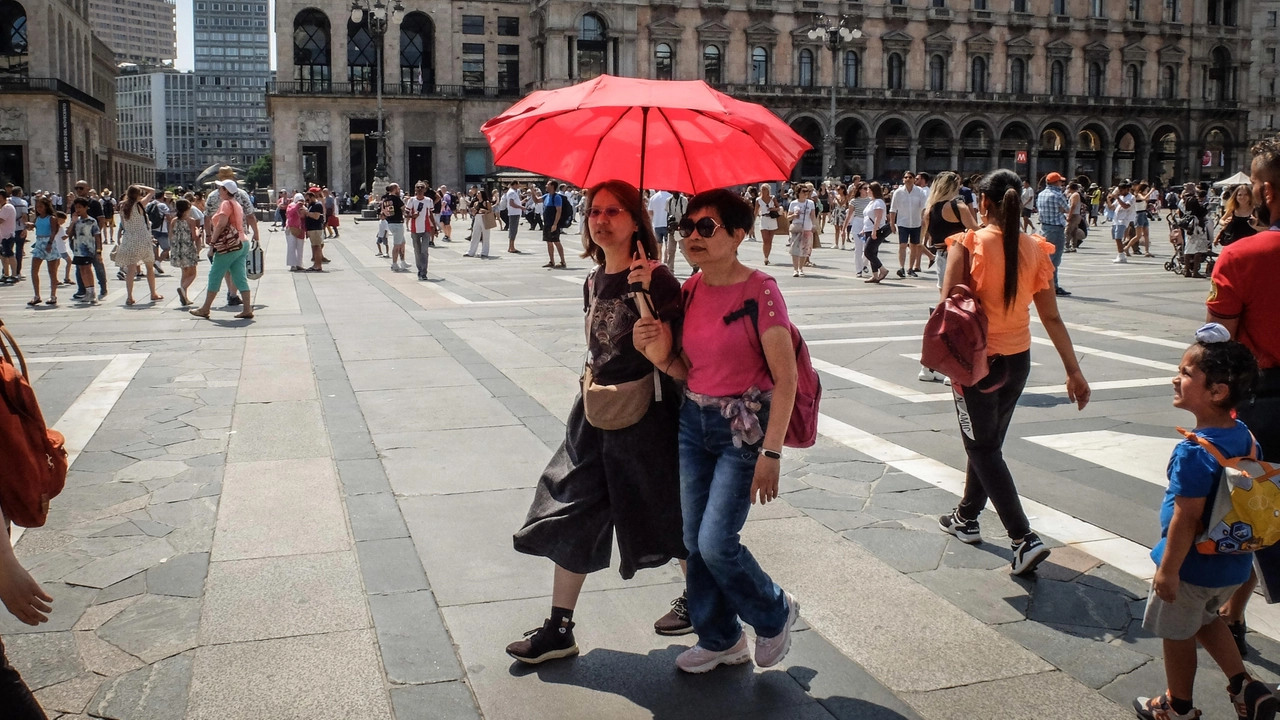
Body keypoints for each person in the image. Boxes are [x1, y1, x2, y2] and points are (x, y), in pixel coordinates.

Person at [507, 180, 686, 665]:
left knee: (663, 508)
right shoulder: (591, 278)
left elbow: (676, 356)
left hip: (645, 417)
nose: (601, 220)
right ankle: (559, 628)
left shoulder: (661, 278)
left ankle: (702, 600)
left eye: (613, 211)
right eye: (594, 211)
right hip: (594, 413)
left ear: (635, 220)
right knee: (571, 505)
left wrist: (645, 292)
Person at [632, 188, 800, 673]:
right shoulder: (690, 290)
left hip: (743, 430)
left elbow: (785, 377)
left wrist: (772, 455)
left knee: (716, 542)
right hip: (693, 423)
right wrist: (657, 346)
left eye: (706, 228)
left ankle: (774, 609)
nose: (692, 236)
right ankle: (721, 637)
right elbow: (683, 367)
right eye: (687, 227)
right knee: (692, 539)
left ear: (738, 234)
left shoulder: (761, 290)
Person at [936, 168, 1092, 576]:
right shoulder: (1036, 249)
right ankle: (966, 518)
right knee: (988, 445)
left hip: (977, 362)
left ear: (983, 203)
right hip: (1018, 360)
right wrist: (1074, 372)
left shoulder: (966, 244)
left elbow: (949, 306)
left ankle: (1024, 538)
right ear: (1018, 201)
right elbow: (1052, 317)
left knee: (982, 447)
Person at [1134, 325, 1272, 720]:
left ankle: (1177, 706)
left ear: (1217, 392)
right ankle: (1246, 687)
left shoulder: (1194, 452)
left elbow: (1186, 516)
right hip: (1231, 563)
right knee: (1208, 620)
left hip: (1191, 566)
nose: (1175, 378)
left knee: (1176, 634)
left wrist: (1168, 571)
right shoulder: (1245, 436)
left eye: (1186, 373)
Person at [1207, 133, 1280, 658]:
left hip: (1264, 403)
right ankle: (1234, 613)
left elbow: (1220, 344)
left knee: (1253, 517)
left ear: (1265, 189)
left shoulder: (1242, 255)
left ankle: (1229, 617)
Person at [918, 172, 980, 383]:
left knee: (945, 309)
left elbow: (921, 242)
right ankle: (951, 367)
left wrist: (932, 256)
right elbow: (977, 232)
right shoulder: (958, 207)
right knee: (958, 313)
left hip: (942, 259)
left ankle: (928, 366)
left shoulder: (929, 210)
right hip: (959, 258)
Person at [190, 180, 252, 319]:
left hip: (230, 244)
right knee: (239, 276)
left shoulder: (226, 204)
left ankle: (205, 308)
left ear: (225, 190)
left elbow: (221, 224)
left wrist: (212, 243)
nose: (218, 190)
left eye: (220, 188)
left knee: (215, 274)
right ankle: (247, 309)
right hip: (242, 242)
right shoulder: (236, 203)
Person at [114, 185, 162, 305]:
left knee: (131, 269)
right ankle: (153, 293)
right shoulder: (139, 204)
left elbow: (123, 224)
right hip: (142, 238)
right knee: (149, 267)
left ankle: (129, 296)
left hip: (129, 238)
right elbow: (152, 191)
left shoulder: (122, 206)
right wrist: (140, 185)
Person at [1035, 172, 1072, 297]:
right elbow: (1067, 209)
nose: (1062, 184)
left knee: (1046, 257)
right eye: (1060, 182)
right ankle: (1052, 285)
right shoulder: (1057, 195)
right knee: (1054, 259)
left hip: (1044, 227)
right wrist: (1060, 210)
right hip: (1056, 228)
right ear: (1056, 182)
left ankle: (1047, 284)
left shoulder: (1041, 194)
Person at [890, 171, 927, 278]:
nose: (908, 179)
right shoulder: (898, 192)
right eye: (906, 177)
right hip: (903, 222)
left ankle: (910, 268)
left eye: (910, 177)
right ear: (903, 179)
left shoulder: (919, 192)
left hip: (916, 222)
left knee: (914, 246)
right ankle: (901, 267)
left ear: (914, 179)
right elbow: (893, 209)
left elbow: (924, 207)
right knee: (902, 245)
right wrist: (892, 223)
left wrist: (924, 219)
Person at [26, 195, 61, 306]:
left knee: (52, 272)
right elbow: (37, 226)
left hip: (48, 243)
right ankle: (37, 295)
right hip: (39, 243)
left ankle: (53, 295)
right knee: (34, 269)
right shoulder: (37, 218)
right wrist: (31, 226)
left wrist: (50, 243)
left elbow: (54, 231)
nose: (39, 209)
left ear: (46, 207)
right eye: (37, 207)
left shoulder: (51, 218)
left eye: (41, 206)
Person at [68, 197, 103, 305]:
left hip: (88, 249)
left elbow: (97, 236)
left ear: (86, 208)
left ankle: (92, 292)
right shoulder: (76, 222)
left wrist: (98, 251)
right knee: (82, 270)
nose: (78, 209)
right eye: (76, 207)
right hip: (78, 249)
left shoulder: (92, 221)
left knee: (88, 269)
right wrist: (73, 222)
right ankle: (87, 290)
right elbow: (69, 234)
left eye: (80, 207)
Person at [168, 198, 200, 306]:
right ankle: (183, 288)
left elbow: (170, 236)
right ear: (187, 209)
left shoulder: (174, 220)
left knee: (184, 273)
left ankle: (185, 297)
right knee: (193, 273)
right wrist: (197, 231)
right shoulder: (190, 220)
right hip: (188, 248)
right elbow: (194, 237)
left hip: (178, 249)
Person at [406, 183, 436, 280]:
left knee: (424, 251)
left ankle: (424, 271)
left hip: (426, 229)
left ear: (425, 189)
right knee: (417, 251)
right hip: (415, 229)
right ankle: (420, 269)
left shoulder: (429, 201)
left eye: (421, 187)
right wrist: (411, 215)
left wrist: (434, 227)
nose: (419, 189)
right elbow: (406, 213)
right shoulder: (411, 200)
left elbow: (431, 214)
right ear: (415, 189)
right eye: (417, 187)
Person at [862, 182, 890, 283]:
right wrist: (864, 229)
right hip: (868, 229)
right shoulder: (871, 202)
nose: (867, 191)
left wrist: (874, 231)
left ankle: (883, 270)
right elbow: (868, 217)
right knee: (873, 252)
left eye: (868, 189)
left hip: (876, 230)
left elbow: (878, 217)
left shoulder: (878, 202)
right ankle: (875, 275)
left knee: (868, 252)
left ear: (873, 190)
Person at [846, 182, 871, 277]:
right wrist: (844, 228)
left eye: (867, 188)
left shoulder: (871, 200)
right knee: (858, 248)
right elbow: (849, 215)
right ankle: (858, 269)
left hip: (867, 224)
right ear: (860, 190)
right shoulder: (854, 201)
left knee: (867, 247)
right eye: (865, 188)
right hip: (857, 223)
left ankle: (864, 264)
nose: (866, 190)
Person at [382, 183, 407, 271]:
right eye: (398, 188)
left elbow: (383, 211)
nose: (399, 190)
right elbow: (404, 208)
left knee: (402, 242)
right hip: (397, 223)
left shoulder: (386, 199)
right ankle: (394, 264)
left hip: (390, 223)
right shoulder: (396, 199)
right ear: (394, 189)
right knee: (397, 245)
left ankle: (403, 262)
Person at [542, 180, 568, 268]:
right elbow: (537, 200)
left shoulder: (556, 197)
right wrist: (533, 191)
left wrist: (555, 224)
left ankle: (563, 261)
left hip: (553, 223)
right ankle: (551, 261)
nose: (546, 186)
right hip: (546, 223)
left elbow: (558, 211)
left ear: (552, 186)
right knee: (548, 242)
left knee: (556, 241)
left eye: (548, 184)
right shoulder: (546, 196)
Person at [1110, 181, 1137, 263]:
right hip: (1116, 219)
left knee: (1118, 237)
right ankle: (1121, 254)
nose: (1120, 192)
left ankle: (1121, 255)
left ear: (1127, 189)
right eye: (1119, 190)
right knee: (1116, 238)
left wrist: (1117, 198)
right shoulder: (1121, 197)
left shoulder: (1131, 197)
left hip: (1124, 219)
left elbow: (1126, 206)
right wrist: (1108, 200)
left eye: (1122, 190)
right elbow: (1112, 207)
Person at [665, 191, 690, 272]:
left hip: (680, 228)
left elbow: (685, 215)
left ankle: (694, 265)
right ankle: (670, 270)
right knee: (670, 251)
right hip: (672, 228)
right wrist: (668, 226)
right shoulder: (669, 200)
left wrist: (680, 226)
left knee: (684, 249)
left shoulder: (683, 200)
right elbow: (668, 214)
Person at [648, 187, 673, 268]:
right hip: (667, 224)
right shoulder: (670, 197)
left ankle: (659, 261)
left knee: (659, 245)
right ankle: (666, 261)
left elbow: (650, 212)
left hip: (657, 224)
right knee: (667, 244)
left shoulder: (653, 198)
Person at [303, 190, 326, 272]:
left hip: (316, 229)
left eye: (308, 199)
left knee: (317, 247)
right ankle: (315, 264)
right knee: (314, 247)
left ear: (312, 197)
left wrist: (306, 213)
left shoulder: (317, 205)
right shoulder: (311, 205)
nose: (307, 201)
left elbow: (316, 216)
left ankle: (318, 265)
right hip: (311, 229)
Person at [757, 184, 779, 266]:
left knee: (770, 240)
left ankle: (768, 255)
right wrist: (752, 221)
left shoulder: (772, 198)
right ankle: (765, 257)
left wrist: (773, 209)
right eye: (762, 189)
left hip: (772, 219)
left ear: (768, 190)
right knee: (765, 239)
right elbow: (756, 211)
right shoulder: (758, 200)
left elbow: (778, 207)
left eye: (765, 189)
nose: (763, 191)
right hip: (763, 219)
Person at [466, 193, 493, 258]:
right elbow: (473, 212)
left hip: (484, 217)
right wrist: (473, 212)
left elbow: (490, 211)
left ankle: (484, 252)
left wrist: (485, 210)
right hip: (477, 217)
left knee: (486, 235)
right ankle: (471, 252)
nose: (477, 194)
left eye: (479, 193)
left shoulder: (487, 202)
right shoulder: (476, 203)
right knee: (475, 234)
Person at [284, 193, 307, 271]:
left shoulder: (304, 207)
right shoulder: (291, 205)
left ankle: (299, 264)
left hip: (301, 229)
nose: (301, 202)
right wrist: (297, 206)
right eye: (299, 200)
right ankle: (292, 264)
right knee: (291, 246)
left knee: (300, 247)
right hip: (291, 228)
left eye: (302, 201)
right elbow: (290, 213)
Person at [0, 189, 16, 284]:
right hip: (2, 236)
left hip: (7, 236)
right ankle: (6, 274)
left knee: (9, 255)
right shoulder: (3, 208)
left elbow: (1, 220)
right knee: (3, 256)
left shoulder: (7, 207)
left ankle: (14, 275)